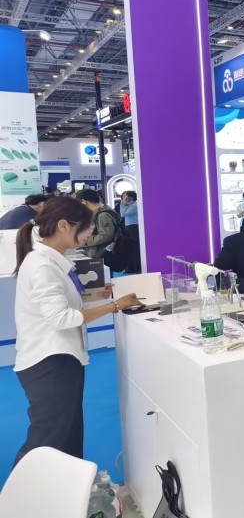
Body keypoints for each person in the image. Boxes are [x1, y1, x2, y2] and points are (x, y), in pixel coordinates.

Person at [12, 197, 140, 464]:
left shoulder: (52, 260)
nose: (89, 234)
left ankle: (66, 486)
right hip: (50, 361)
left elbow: (65, 303)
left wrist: (97, 296)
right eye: (85, 228)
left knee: (68, 430)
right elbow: (61, 318)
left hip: (60, 358)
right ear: (63, 225)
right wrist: (114, 306)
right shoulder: (42, 265)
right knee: (48, 438)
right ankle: (24, 489)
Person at [76, 189, 120, 258]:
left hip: (104, 254)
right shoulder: (101, 212)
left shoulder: (103, 215)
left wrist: (85, 241)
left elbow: (105, 235)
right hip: (102, 252)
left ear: (84, 202)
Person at [119, 191, 141, 274]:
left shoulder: (134, 206)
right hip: (130, 227)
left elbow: (123, 214)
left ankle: (137, 268)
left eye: (125, 197)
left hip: (133, 228)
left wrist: (122, 204)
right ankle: (131, 268)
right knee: (131, 249)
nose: (123, 198)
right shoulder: (131, 206)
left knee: (135, 249)